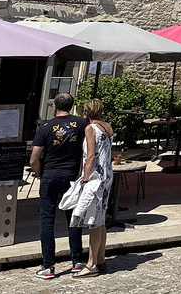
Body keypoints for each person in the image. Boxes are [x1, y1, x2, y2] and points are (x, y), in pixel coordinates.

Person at [30, 92, 88, 279]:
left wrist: (40, 174)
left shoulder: (45, 126)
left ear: (54, 107)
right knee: (73, 220)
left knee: (47, 221)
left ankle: (48, 266)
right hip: (70, 177)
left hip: (50, 176)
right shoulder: (81, 124)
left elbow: (34, 158)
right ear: (71, 106)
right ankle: (77, 262)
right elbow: (87, 151)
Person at [71, 98, 114, 277]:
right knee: (101, 218)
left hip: (96, 177)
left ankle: (91, 264)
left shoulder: (90, 128)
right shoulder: (108, 127)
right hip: (107, 175)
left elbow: (90, 156)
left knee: (93, 221)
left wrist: (85, 178)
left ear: (86, 112)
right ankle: (101, 259)